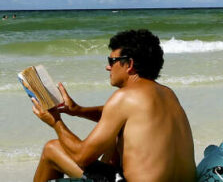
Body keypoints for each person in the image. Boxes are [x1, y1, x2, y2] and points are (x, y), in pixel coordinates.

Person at [31, 29, 196, 182]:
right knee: (113, 143)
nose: (107, 67)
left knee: (51, 149)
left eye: (112, 61)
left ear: (129, 65)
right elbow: (120, 116)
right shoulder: (168, 94)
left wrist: (56, 122)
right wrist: (78, 111)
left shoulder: (123, 97)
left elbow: (81, 156)